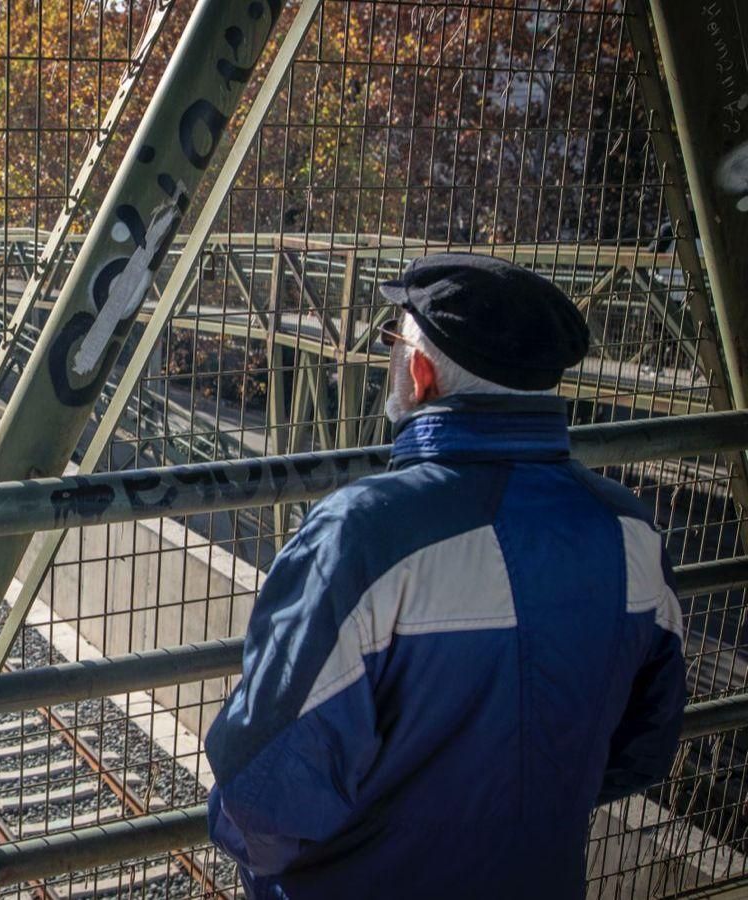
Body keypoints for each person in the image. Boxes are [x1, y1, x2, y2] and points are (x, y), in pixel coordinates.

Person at [204, 253, 687, 898]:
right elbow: (643, 750)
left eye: (393, 342)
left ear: (422, 374)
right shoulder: (631, 534)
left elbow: (262, 796)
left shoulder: (361, 537)